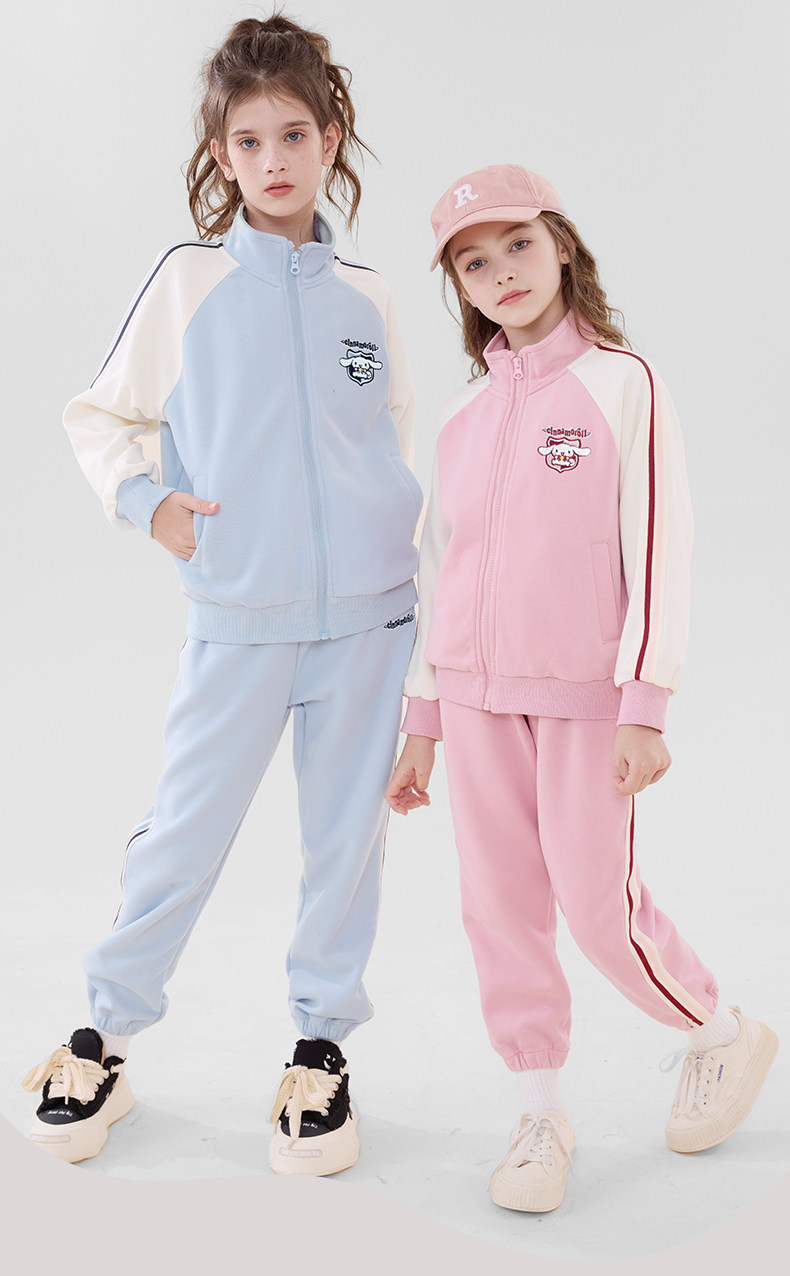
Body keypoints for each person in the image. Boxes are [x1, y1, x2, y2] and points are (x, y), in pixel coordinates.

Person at [22, 14, 421, 1176]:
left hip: (370, 626)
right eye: (249, 141)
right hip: (239, 621)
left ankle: (319, 1053)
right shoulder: (190, 281)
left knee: (345, 848)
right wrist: (146, 500)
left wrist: (418, 604)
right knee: (182, 835)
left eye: (294, 134)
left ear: (331, 139)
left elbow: (395, 446)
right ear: (221, 156)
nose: (274, 159)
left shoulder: (368, 296)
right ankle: (104, 1036)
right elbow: (97, 414)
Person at [386, 164, 777, 1213]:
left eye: (518, 244)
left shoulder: (622, 384)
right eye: (475, 262)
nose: (501, 272)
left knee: (599, 908)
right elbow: (439, 572)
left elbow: (658, 548)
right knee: (499, 909)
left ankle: (721, 1033)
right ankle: (540, 1111)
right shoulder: (464, 418)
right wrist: (422, 721)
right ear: (460, 287)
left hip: (585, 703)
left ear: (561, 245)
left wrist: (645, 700)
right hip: (475, 702)